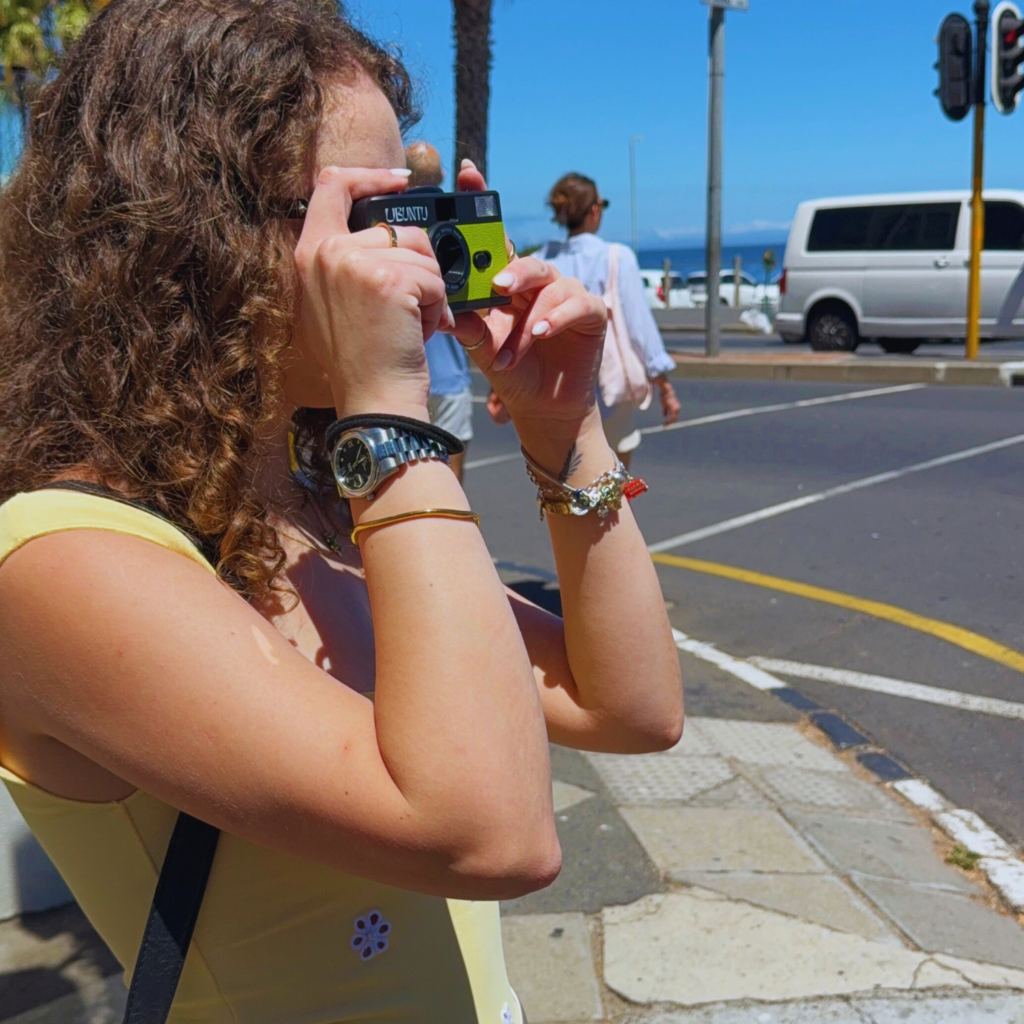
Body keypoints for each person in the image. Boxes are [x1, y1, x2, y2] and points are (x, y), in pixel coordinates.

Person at [0, 3, 683, 1023]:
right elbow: (492, 835)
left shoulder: (305, 495)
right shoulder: (56, 558)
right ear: (190, 231)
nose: (414, 246)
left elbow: (627, 706)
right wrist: (389, 420)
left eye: (413, 205)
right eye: (369, 210)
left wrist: (560, 426)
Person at [526, 172, 682, 469]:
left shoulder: (542, 261)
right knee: (615, 489)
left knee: (564, 485)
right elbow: (639, 327)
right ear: (594, 210)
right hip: (606, 393)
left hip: (554, 390)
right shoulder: (616, 257)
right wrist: (664, 385)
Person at [405, 141, 474, 482]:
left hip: (404, 377)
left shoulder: (390, 229)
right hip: (450, 379)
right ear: (443, 175)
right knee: (453, 483)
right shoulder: (458, 221)